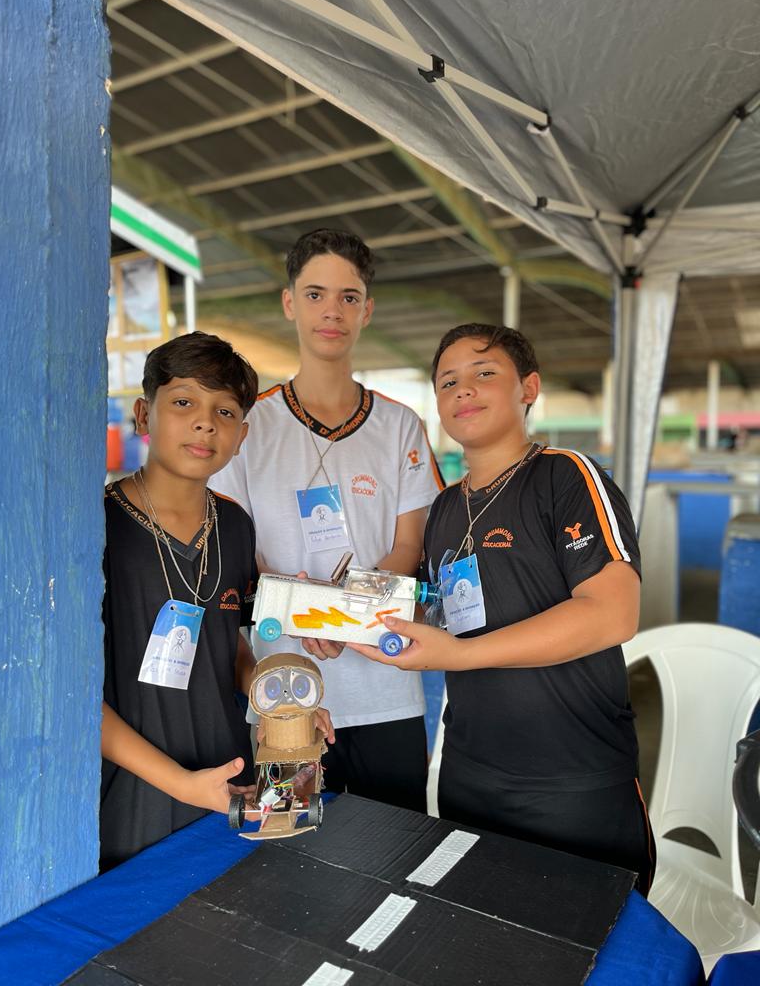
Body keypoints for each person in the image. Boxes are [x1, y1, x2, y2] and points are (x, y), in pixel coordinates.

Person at [344, 323, 656, 894]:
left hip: (572, 779)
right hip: (469, 776)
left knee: (591, 934)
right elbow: (434, 614)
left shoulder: (566, 476)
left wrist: (461, 655)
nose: (463, 390)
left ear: (528, 388)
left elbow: (613, 613)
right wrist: (333, 617)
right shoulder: (444, 508)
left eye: (484, 373)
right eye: (448, 382)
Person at [211, 229, 443, 813]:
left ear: (367, 310)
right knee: (287, 838)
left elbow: (408, 546)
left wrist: (344, 617)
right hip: (283, 693)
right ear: (290, 303)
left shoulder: (400, 426)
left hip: (387, 687)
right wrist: (307, 611)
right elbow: (239, 554)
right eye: (315, 294)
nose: (331, 311)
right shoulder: (249, 427)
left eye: (348, 296)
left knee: (396, 847)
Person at [100, 331, 333, 871]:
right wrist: (181, 784)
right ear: (144, 414)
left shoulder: (233, 525)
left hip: (228, 782)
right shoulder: (99, 526)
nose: (205, 423)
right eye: (183, 403)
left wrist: (278, 697)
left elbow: (225, 646)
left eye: (224, 412)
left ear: (241, 434)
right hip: (133, 800)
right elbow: (74, 699)